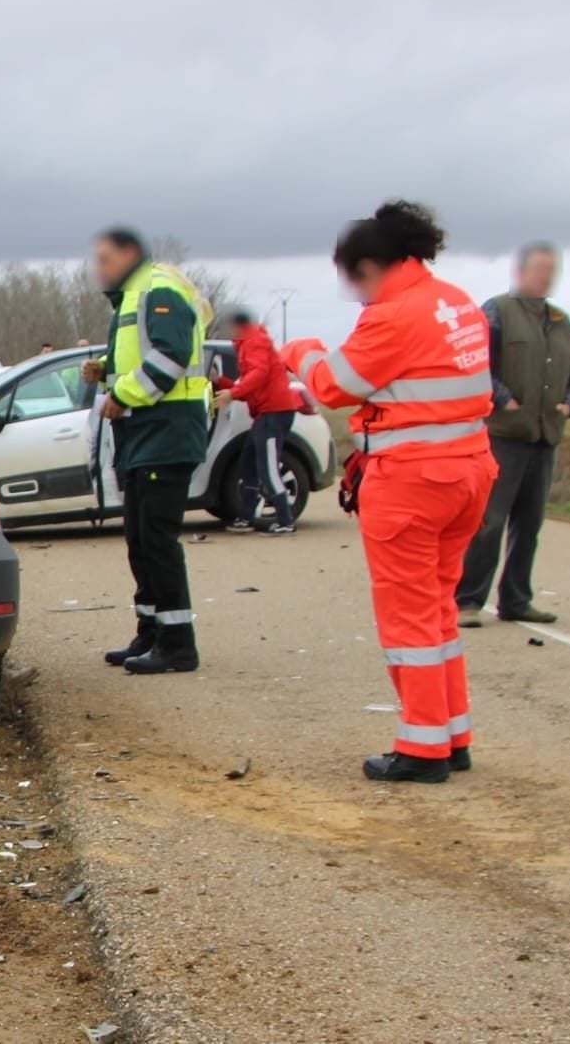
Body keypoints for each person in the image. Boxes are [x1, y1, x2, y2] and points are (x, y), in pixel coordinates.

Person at [280, 201, 497, 783]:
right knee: (440, 609)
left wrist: (299, 350)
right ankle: (453, 735)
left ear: (372, 265)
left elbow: (334, 386)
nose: (351, 288)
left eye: (352, 276)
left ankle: (423, 747)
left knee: (409, 618)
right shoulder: (456, 301)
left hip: (412, 480)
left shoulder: (394, 313)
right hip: (469, 470)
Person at [82, 226, 213, 675]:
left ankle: (178, 643)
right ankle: (151, 630)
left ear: (130, 254)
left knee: (156, 540)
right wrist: (104, 373)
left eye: (105, 259)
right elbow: (142, 361)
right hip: (144, 435)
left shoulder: (158, 289)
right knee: (139, 539)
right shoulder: (134, 296)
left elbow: (170, 357)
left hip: (167, 431)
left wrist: (122, 396)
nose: (98, 268)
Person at [455, 242, 570, 627]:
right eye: (540, 269)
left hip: (545, 436)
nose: (547, 276)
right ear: (521, 272)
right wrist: (503, 399)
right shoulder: (497, 312)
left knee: (529, 525)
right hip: (502, 435)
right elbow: (476, 363)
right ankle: (467, 600)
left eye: (553, 270)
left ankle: (516, 599)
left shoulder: (563, 322)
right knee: (489, 521)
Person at [212, 308, 297, 535]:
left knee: (268, 468)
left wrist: (232, 394)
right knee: (248, 463)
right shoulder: (246, 344)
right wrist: (221, 382)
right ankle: (246, 517)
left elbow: (258, 376)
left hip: (274, 412)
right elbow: (250, 384)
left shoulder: (254, 341)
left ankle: (286, 520)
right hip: (264, 413)